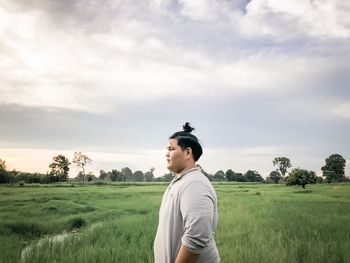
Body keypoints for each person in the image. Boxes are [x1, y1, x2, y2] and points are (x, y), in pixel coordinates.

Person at [154, 122, 220, 263]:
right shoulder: (182, 181)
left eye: (171, 149)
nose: (167, 154)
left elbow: (197, 237)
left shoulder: (195, 184)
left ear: (188, 152)